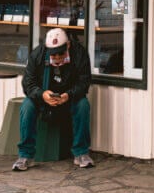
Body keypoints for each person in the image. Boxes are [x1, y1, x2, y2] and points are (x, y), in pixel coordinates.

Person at [12, 27, 95, 171]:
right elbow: (28, 83)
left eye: (60, 53)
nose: (57, 57)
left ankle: (81, 153)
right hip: (43, 98)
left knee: (83, 105)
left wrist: (68, 95)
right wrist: (42, 94)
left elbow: (84, 82)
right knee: (27, 106)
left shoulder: (79, 54)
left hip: (69, 97)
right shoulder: (37, 55)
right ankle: (25, 155)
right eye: (53, 54)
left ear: (68, 45)